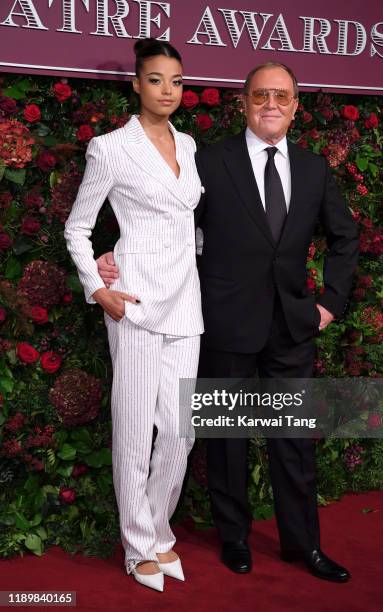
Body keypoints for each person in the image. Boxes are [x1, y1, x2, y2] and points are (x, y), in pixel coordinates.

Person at [97, 62, 359, 583]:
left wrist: (329, 302)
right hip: (223, 322)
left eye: (281, 96)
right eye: (260, 95)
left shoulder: (313, 169)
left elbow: (344, 238)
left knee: (293, 440)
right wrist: (109, 251)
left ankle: (303, 545)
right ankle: (234, 538)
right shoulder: (208, 161)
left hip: (292, 326)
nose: (271, 104)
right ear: (242, 103)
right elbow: (156, 211)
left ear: (295, 105)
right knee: (227, 441)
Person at [63, 38, 204, 593]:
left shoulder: (189, 145)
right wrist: (100, 288)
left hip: (186, 301)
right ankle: (138, 546)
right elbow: (77, 226)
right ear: (136, 84)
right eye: (155, 80)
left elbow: (186, 221)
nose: (167, 90)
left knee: (181, 430)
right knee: (133, 431)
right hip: (136, 304)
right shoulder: (111, 148)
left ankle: (158, 528)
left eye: (175, 81)